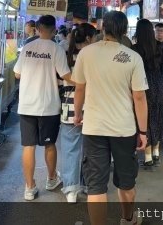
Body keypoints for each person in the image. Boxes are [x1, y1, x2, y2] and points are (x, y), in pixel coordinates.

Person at [72, 11, 148, 225]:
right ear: (124, 30)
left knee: (96, 186)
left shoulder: (87, 53)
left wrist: (78, 114)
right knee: (126, 182)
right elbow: (140, 97)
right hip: (124, 129)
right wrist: (142, 131)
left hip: (94, 127)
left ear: (103, 28)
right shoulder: (133, 57)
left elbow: (80, 88)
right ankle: (128, 219)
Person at [14, 15, 71, 201]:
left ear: (37, 29)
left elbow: (17, 74)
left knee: (28, 146)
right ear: (54, 29)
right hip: (48, 105)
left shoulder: (27, 48)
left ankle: (30, 187)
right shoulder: (57, 49)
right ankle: (51, 179)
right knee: (49, 144)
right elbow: (66, 75)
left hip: (27, 104)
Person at [60, 23, 97, 203]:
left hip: (69, 106)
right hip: (91, 106)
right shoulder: (94, 56)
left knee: (70, 149)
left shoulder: (66, 55)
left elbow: (61, 78)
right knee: (90, 149)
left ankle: (71, 190)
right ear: (89, 38)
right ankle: (89, 185)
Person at [132, 19, 163, 169]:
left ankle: (148, 157)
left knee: (145, 120)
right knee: (158, 117)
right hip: (160, 85)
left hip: (143, 86)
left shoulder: (134, 49)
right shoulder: (159, 48)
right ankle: (156, 153)